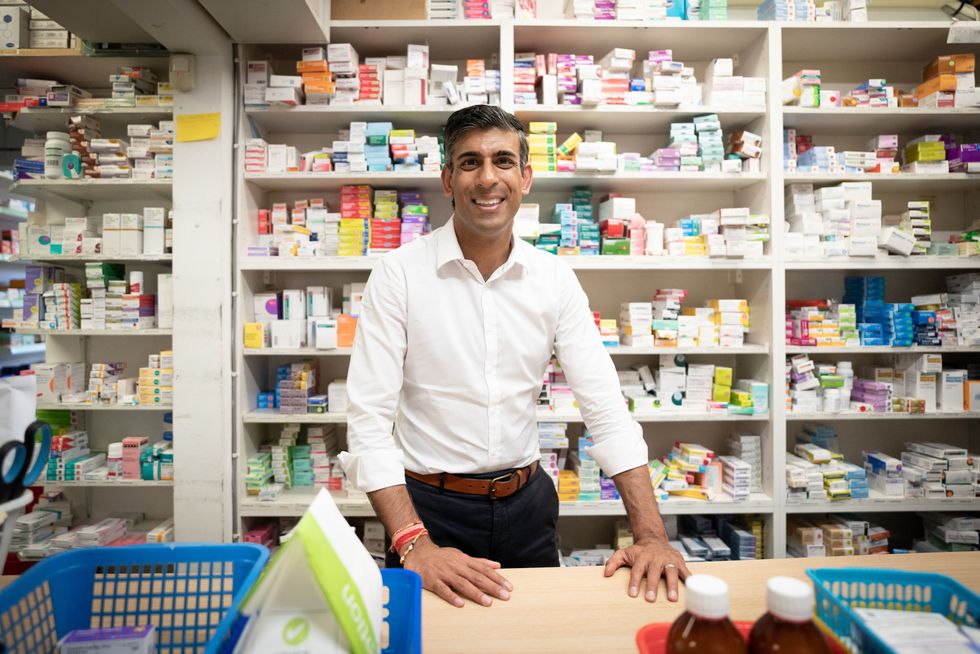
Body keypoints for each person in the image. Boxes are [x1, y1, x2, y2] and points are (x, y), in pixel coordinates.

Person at [339, 105, 690, 609]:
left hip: (528, 507)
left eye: (503, 161)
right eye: (469, 163)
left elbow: (607, 410)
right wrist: (414, 544)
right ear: (447, 179)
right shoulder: (399, 275)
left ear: (525, 178)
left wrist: (652, 534)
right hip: (429, 513)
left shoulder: (553, 278)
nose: (488, 178)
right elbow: (369, 422)